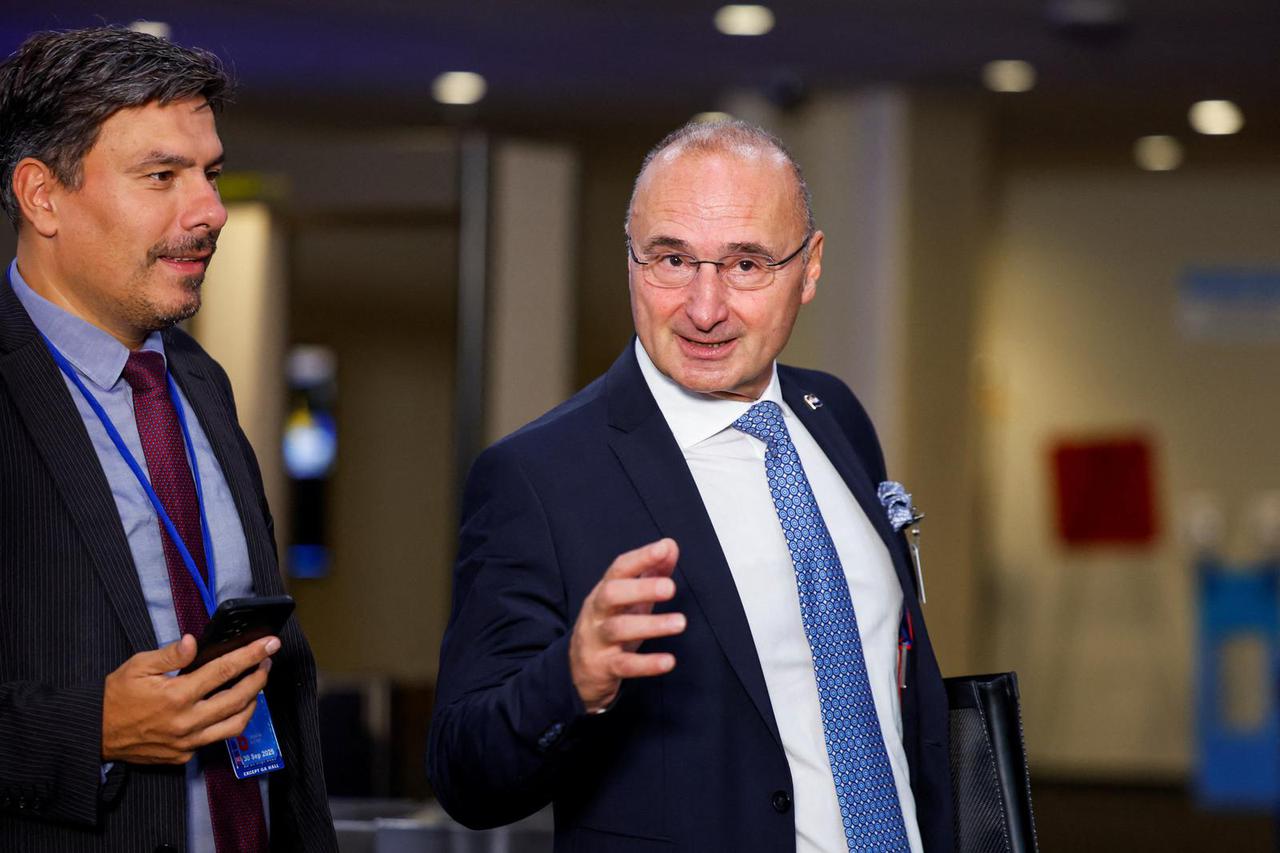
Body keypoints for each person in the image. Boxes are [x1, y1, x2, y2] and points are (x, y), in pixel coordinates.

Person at [428, 119, 952, 852]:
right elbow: (462, 771)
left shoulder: (835, 415)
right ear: (630, 258)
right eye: (672, 259)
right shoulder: (538, 477)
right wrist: (570, 679)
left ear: (810, 266)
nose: (704, 309)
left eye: (746, 265)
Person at [0, 27, 337, 852]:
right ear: (42, 196)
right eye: (162, 176)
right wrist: (94, 730)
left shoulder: (199, 382)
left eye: (210, 173)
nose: (211, 211)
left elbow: (279, 676)